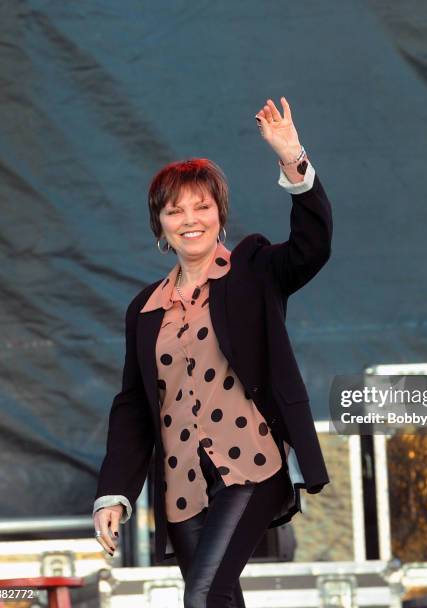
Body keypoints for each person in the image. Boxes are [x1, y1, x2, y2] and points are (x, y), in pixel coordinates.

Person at [92, 97, 333, 607]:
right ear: (160, 226)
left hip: (251, 463)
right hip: (181, 486)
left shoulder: (252, 271)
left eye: (201, 206)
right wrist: (113, 493)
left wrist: (294, 159)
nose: (189, 219)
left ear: (220, 213)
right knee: (220, 599)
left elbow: (312, 245)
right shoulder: (145, 309)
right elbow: (135, 407)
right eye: (174, 211)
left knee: (202, 597)